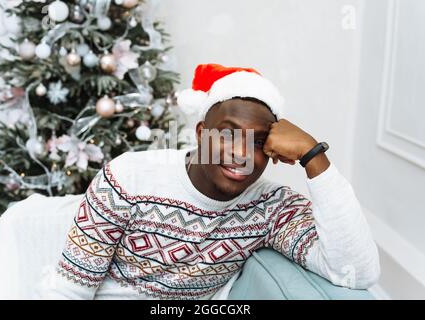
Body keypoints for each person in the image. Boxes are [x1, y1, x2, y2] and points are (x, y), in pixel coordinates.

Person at [38, 63, 380, 300]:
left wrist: (313, 155)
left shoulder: (270, 208)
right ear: (201, 132)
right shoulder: (128, 179)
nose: (242, 154)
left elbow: (355, 273)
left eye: (258, 142)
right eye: (228, 134)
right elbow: (71, 287)